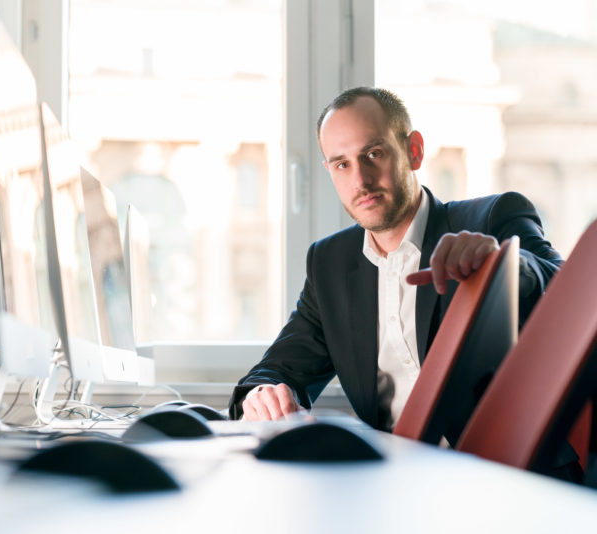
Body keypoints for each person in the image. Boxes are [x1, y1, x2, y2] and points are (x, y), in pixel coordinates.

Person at [230, 87, 563, 432]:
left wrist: (503, 264)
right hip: (394, 474)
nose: (361, 180)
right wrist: (261, 395)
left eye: (374, 154)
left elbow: (571, 293)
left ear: (414, 151)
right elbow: (278, 370)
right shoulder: (330, 264)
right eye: (342, 164)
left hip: (504, 467)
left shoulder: (492, 219)